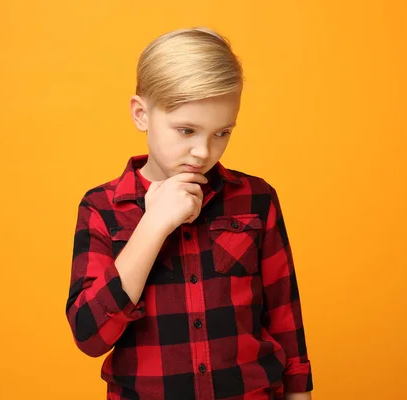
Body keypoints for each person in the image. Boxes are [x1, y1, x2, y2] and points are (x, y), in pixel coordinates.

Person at [65, 27, 313, 400]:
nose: (202, 151)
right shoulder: (102, 208)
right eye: (186, 130)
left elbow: (285, 319)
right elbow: (89, 334)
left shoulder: (256, 199)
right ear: (141, 114)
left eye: (221, 133)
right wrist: (152, 226)